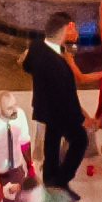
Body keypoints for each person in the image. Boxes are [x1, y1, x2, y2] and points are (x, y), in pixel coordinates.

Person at [28, 15, 92, 187]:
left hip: (44, 108)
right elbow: (66, 97)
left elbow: (27, 65)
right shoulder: (57, 64)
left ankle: (50, 181)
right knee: (79, 140)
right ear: (65, 30)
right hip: (59, 113)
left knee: (52, 144)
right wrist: (80, 118)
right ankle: (60, 181)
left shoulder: (37, 45)